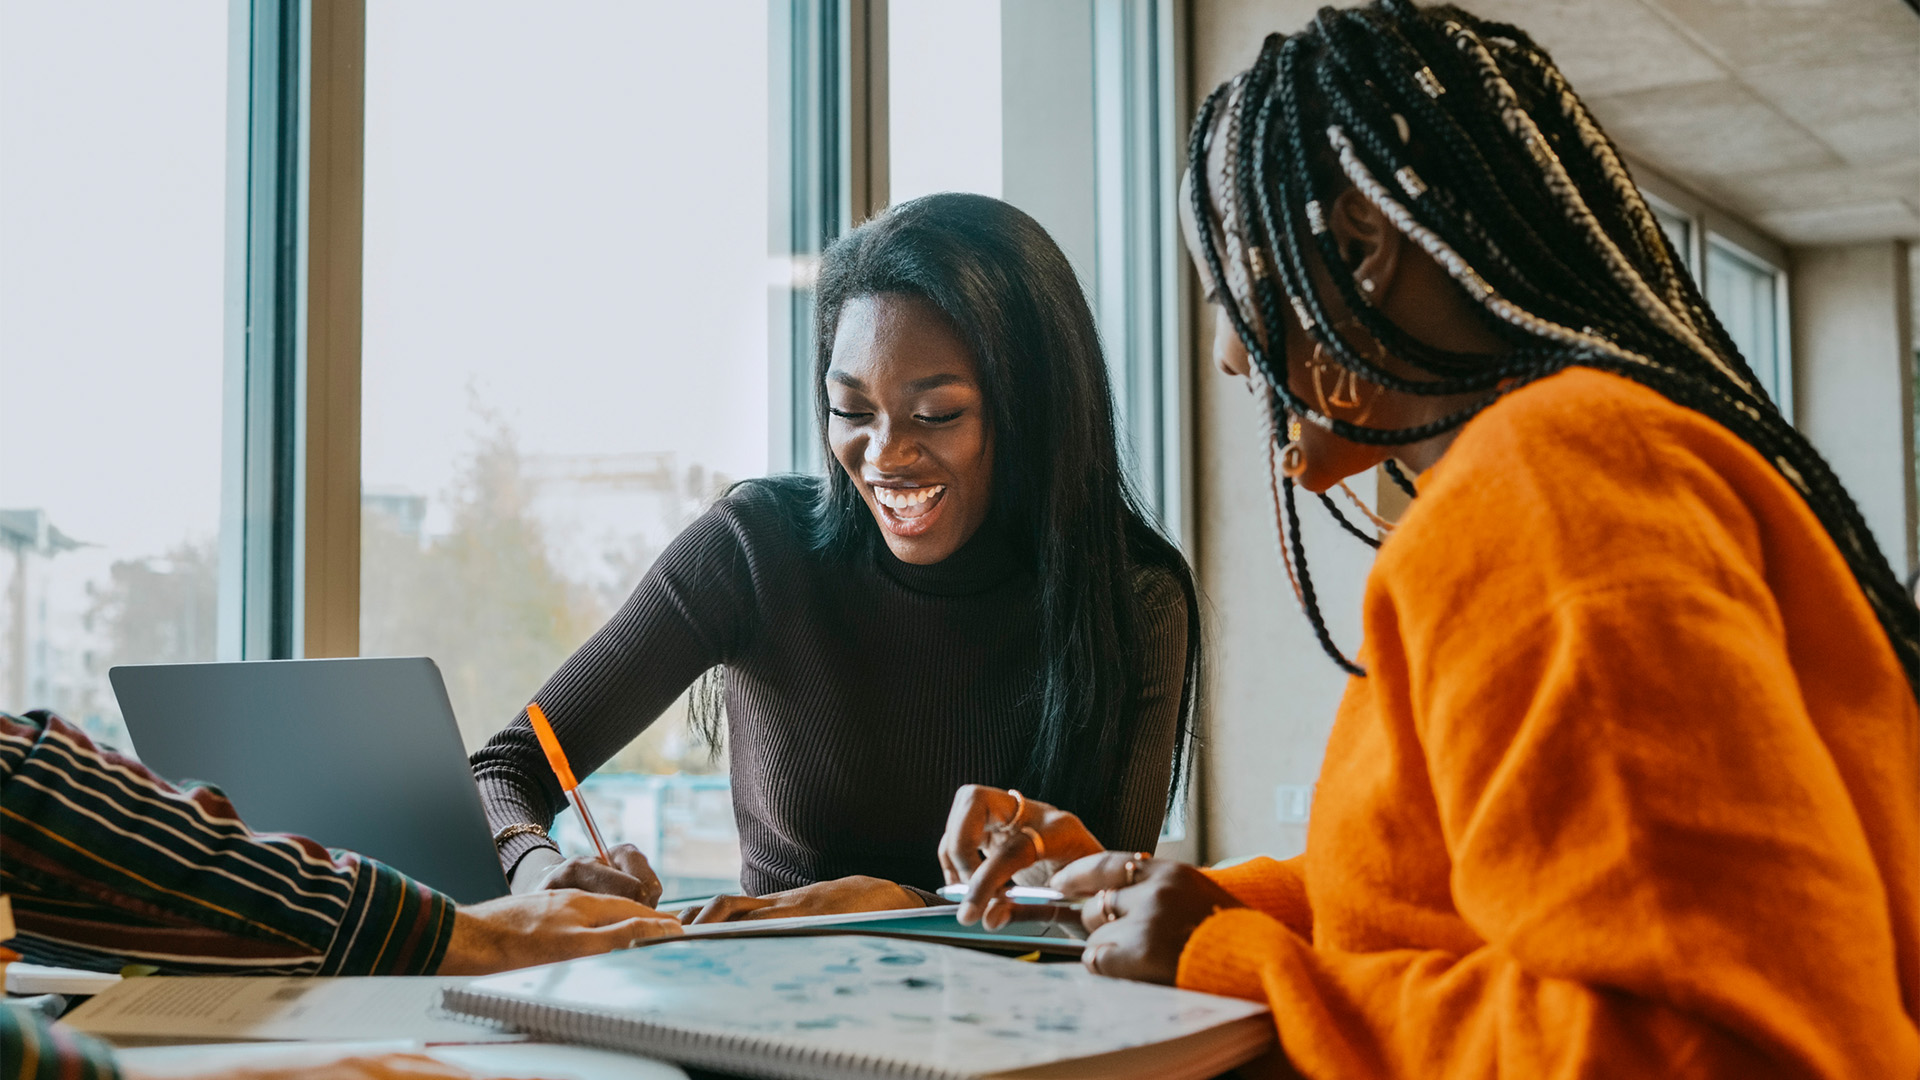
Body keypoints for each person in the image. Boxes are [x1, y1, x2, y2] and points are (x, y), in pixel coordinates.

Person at [939, 3, 1920, 1077]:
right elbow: (1440, 895)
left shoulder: (1551, 487)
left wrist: (1237, 964)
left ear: (1358, 250)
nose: (1225, 355)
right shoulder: (1584, 462)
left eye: (1229, 290)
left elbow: (1703, 1049)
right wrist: (1202, 903)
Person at [470, 192, 1201, 919]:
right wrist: (539, 869)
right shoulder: (754, 550)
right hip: (769, 1018)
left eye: (936, 414)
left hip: (1018, 1026)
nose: (884, 456)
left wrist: (885, 905)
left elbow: (1100, 910)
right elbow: (503, 770)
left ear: (1034, 409)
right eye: (851, 411)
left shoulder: (1135, 599)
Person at [1, 709, 681, 1080]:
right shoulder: (747, 542)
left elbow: (29, 800)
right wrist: (521, 885)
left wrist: (466, 934)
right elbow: (509, 765)